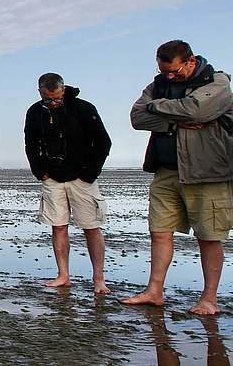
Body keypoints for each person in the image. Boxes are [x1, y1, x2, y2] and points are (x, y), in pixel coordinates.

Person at [123, 40, 233, 315]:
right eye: (164, 71)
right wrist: (174, 118)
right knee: (159, 232)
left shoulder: (217, 83)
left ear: (191, 61)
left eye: (174, 71)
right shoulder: (158, 84)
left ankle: (209, 299)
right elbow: (137, 117)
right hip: (166, 170)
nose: (169, 76)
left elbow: (197, 110)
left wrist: (158, 108)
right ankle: (154, 291)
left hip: (207, 172)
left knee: (209, 236)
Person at [23, 73, 112, 294]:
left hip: (82, 178)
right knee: (58, 226)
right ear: (40, 92)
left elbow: (103, 142)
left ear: (63, 90)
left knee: (91, 226)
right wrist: (40, 172)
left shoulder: (83, 108)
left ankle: (99, 279)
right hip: (52, 178)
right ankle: (63, 275)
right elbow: (30, 143)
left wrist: (89, 174)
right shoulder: (35, 112)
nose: (53, 103)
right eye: (48, 99)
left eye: (57, 98)